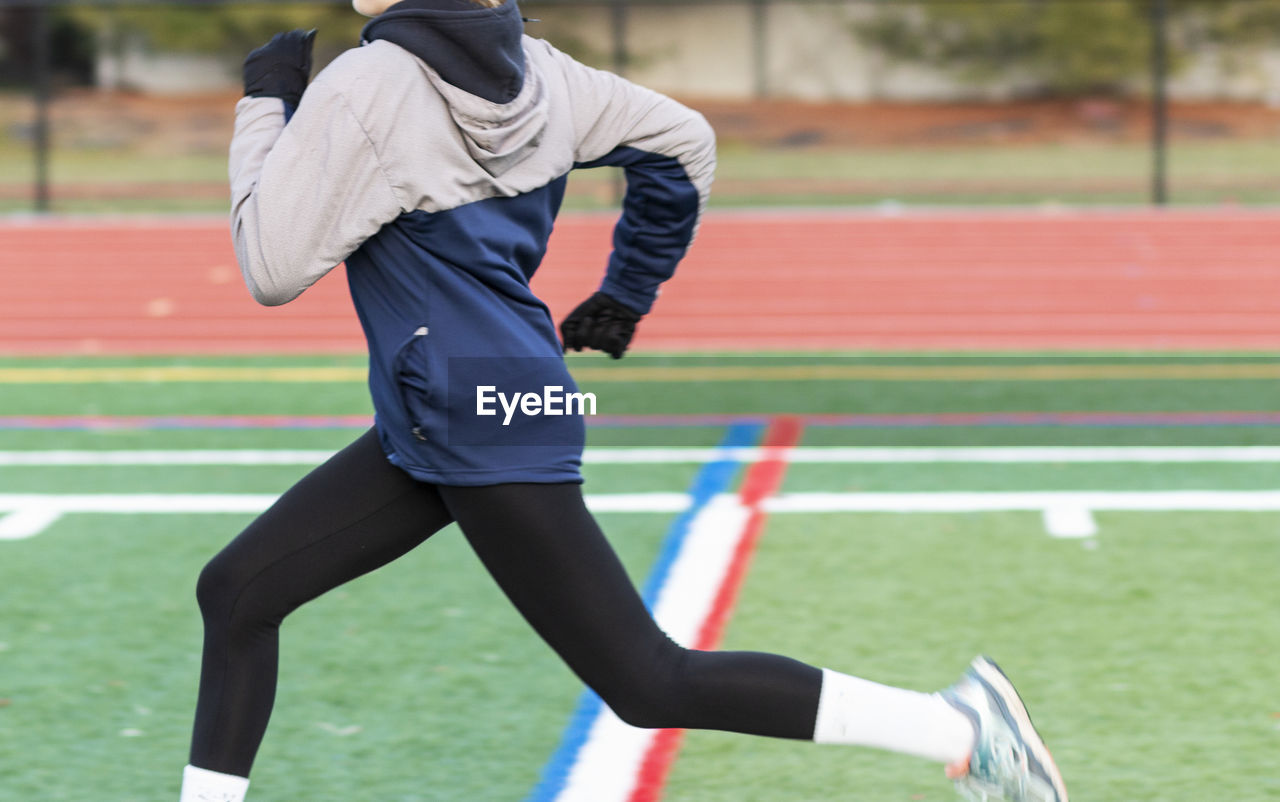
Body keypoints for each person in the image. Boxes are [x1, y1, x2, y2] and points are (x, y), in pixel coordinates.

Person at [179, 1, 1069, 800]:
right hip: (465, 414)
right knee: (237, 591)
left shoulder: (369, 83)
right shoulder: (544, 71)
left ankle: (961, 729)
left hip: (475, 424)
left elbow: (271, 263)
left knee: (649, 683)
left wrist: (266, 106)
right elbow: (683, 142)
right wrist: (628, 290)